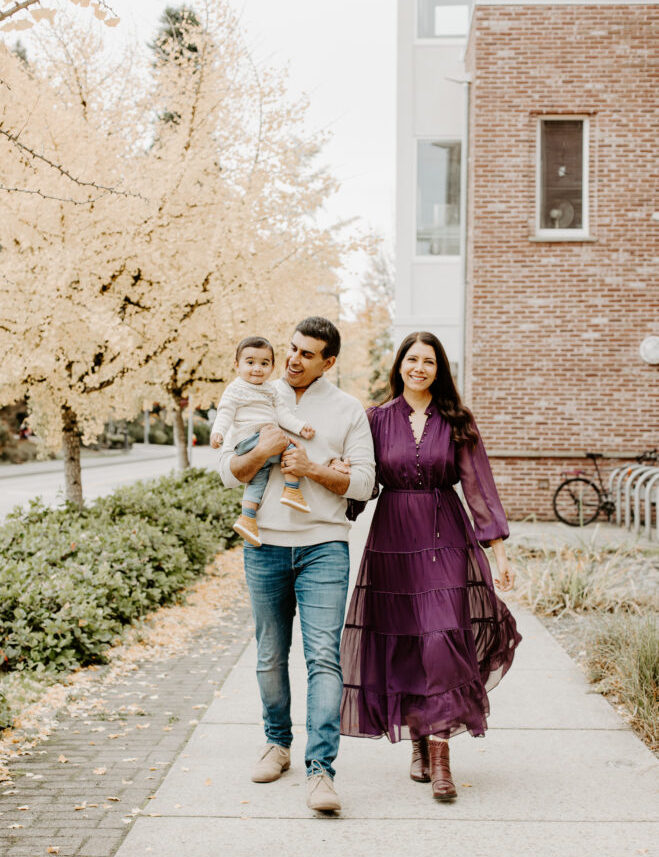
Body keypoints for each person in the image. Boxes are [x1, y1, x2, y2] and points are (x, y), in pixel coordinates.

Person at [338, 331, 521, 801]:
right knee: (405, 646)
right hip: (393, 542)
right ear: (400, 364)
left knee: (441, 641)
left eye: (429, 362)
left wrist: (499, 556)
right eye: (412, 359)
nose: (419, 367)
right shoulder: (375, 418)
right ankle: (417, 738)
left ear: (439, 371)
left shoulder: (457, 420)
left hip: (445, 538)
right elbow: (362, 485)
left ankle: (440, 760)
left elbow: (479, 488)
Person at [217, 317, 375, 813]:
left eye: (308, 354)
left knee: (324, 657)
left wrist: (313, 469)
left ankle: (321, 770)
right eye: (291, 348)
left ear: (329, 361)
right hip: (262, 544)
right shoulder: (255, 391)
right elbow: (225, 470)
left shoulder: (349, 410)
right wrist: (261, 450)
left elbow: (365, 484)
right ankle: (277, 743)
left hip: (324, 545)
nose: (292, 359)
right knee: (269, 653)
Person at [210, 336, 316, 547]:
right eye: (250, 363)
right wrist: (218, 432)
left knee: (259, 479)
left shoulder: (270, 390)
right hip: (250, 440)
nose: (257, 369)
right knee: (293, 449)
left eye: (264, 364)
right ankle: (292, 489)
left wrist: (300, 426)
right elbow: (225, 413)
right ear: (237, 365)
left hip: (259, 441)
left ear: (273, 367)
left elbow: (283, 415)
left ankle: (247, 518)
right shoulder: (235, 389)